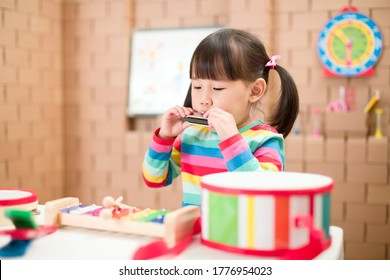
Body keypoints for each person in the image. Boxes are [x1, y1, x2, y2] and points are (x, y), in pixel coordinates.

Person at [142, 28, 299, 207]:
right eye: (197, 86)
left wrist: (231, 141)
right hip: (197, 232)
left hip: (242, 234)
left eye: (217, 88)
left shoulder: (265, 140)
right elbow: (153, 179)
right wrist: (164, 137)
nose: (204, 100)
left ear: (255, 90)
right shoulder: (193, 135)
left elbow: (261, 193)